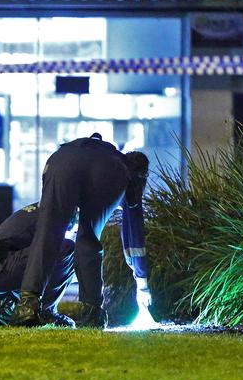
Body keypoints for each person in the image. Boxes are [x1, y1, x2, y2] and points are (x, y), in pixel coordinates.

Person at [9, 132, 151, 329]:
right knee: (89, 237)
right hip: (104, 170)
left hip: (59, 161)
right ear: (139, 175)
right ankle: (92, 312)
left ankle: (27, 306)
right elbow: (134, 237)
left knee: (47, 232)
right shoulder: (124, 172)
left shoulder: (103, 151)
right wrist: (143, 285)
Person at [0, 202, 77, 327]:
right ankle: (47, 311)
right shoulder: (55, 212)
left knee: (52, 256)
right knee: (67, 249)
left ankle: (6, 305)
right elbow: (44, 258)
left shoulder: (44, 208)